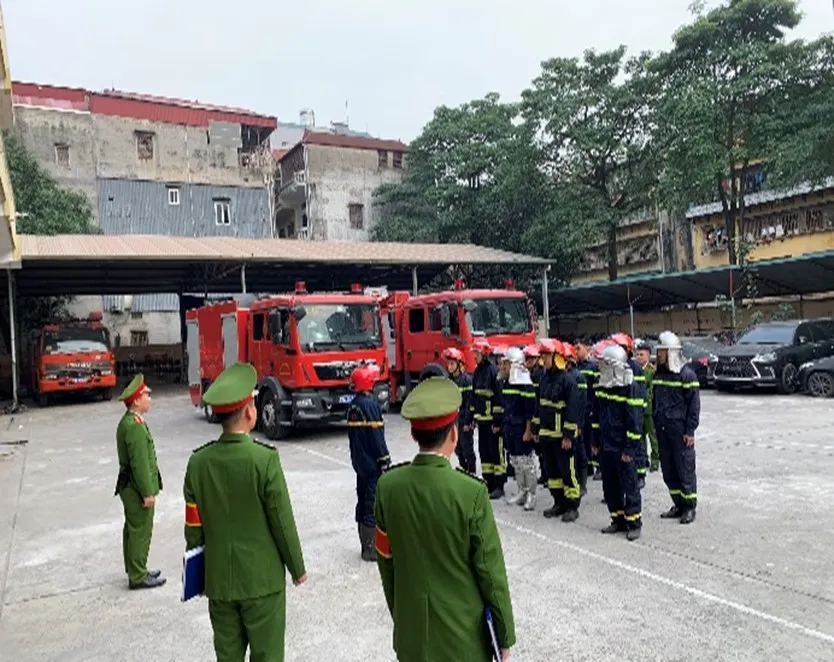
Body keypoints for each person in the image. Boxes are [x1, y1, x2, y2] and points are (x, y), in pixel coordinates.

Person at [374, 376, 516, 661]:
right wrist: (504, 636)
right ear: (454, 433)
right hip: (462, 640)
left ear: (414, 435)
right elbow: (490, 574)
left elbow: (386, 564)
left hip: (412, 638)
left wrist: (403, 620)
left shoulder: (387, 487)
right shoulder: (471, 493)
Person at [183, 362, 307, 662]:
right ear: (250, 412)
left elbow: (193, 528)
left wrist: (198, 577)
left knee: (227, 656)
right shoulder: (264, 461)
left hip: (219, 582)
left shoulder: (198, 463)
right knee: (267, 655)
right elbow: (282, 521)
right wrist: (297, 568)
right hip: (262, 581)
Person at [114, 373, 165, 590]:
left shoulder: (131, 422)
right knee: (140, 530)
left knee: (133, 528)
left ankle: (136, 568)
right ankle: (137, 575)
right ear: (136, 400)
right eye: (146, 394)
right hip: (136, 488)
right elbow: (140, 465)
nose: (149, 398)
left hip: (129, 486)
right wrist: (147, 493)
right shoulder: (133, 426)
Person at [595, 344, 645, 541]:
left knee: (629, 485)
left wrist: (629, 449)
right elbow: (599, 416)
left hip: (622, 446)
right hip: (607, 445)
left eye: (604, 364)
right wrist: (597, 441)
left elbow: (635, 421)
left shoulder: (629, 387)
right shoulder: (604, 386)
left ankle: (634, 523)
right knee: (610, 486)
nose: (601, 368)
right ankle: (617, 519)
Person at [653, 331, 701, 524]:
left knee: (685, 469)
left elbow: (694, 406)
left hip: (680, 432)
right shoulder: (659, 374)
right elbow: (655, 400)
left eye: (662, 351)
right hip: (663, 430)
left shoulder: (686, 375)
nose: (659, 355)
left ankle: (689, 507)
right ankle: (678, 503)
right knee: (669, 470)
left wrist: (690, 431)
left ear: (671, 352)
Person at [535, 338, 582, 523]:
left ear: (557, 358)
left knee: (567, 471)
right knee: (551, 471)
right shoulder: (544, 379)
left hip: (562, 437)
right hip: (547, 435)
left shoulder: (569, 381)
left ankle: (572, 506)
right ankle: (558, 503)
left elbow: (572, 411)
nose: (543, 360)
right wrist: (537, 429)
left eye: (546, 356)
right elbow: (539, 405)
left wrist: (568, 435)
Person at [348, 364, 391, 562]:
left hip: (359, 464)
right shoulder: (371, 406)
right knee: (371, 504)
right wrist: (385, 460)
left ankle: (363, 543)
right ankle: (370, 549)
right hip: (373, 465)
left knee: (362, 499)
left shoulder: (353, 406)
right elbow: (376, 437)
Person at [502, 347, 538, 510]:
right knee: (515, 461)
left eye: (507, 363)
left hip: (521, 428)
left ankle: (531, 494)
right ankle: (521, 491)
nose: (504, 366)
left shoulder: (526, 385)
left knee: (527, 462)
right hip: (510, 427)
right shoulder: (506, 383)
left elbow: (529, 411)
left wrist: (528, 430)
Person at [611, 332, 648, 489]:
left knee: (637, 444)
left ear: (627, 349)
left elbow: (640, 394)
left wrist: (638, 414)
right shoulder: (612, 368)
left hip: (633, 413)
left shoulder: (635, 369)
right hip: (619, 416)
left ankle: (640, 475)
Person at [471, 339, 506, 499]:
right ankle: (489, 482)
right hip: (482, 421)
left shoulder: (493, 372)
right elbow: (474, 396)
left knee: (496, 453)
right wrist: (472, 418)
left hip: (492, 422)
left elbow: (498, 399)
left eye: (476, 353)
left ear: (484, 354)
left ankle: (499, 485)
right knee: (484, 453)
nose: (474, 356)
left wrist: (497, 421)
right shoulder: (477, 372)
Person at [443, 347, 477, 474]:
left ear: (459, 365)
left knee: (467, 448)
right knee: (458, 449)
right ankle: (463, 471)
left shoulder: (466, 380)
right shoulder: (449, 382)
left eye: (452, 364)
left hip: (464, 421)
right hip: (454, 422)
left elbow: (469, 403)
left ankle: (471, 473)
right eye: (448, 364)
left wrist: (469, 422)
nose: (449, 367)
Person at [564, 343, 589, 497]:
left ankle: (583, 484)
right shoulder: (563, 377)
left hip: (577, 423)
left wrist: (579, 425)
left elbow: (581, 403)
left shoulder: (578, 377)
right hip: (568, 421)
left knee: (580, 452)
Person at [575, 340, 601, 482]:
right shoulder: (576, 367)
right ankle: (587, 466)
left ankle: (598, 466)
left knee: (592, 438)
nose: (576, 351)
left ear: (587, 349)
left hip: (590, 408)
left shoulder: (593, 367)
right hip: (580, 409)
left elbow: (595, 389)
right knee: (583, 439)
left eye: (579, 348)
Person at [523, 344, 547, 486]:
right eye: (528, 359)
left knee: (543, 448)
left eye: (532, 359)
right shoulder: (531, 374)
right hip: (534, 413)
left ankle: (547, 474)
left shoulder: (539, 375)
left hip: (540, 414)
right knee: (539, 449)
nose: (529, 361)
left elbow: (538, 398)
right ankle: (544, 473)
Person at [635, 340, 660, 472]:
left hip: (649, 409)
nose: (639, 357)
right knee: (640, 436)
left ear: (648, 356)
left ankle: (655, 459)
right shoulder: (634, 370)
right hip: (637, 409)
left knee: (653, 436)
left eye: (642, 355)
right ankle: (643, 458)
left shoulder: (651, 371)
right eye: (637, 354)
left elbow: (651, 390)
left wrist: (646, 402)